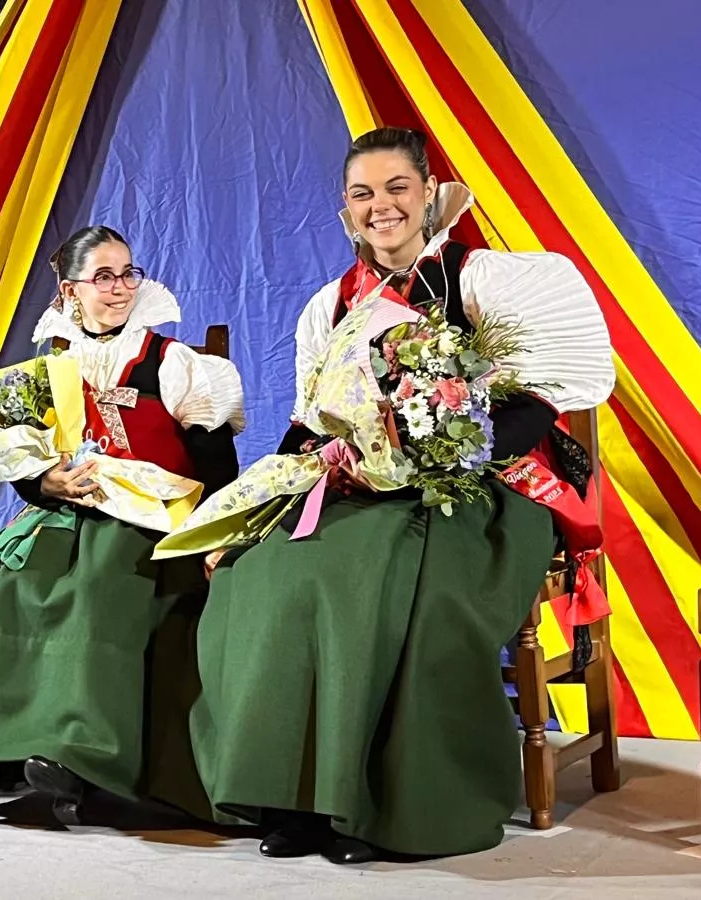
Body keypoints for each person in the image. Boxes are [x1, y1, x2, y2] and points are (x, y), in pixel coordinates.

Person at [182, 127, 614, 862]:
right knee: (263, 571)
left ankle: (392, 808)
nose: (381, 206)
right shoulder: (331, 307)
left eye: (396, 188)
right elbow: (305, 427)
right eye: (362, 194)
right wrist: (249, 510)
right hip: (362, 491)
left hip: (484, 491)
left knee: (391, 577)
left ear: (429, 193)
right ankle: (293, 796)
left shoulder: (490, 282)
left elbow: (535, 409)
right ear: (347, 212)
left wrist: (430, 455)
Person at [0, 226, 245, 824]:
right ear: (71, 290)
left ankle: (78, 755)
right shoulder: (50, 364)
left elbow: (218, 469)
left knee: (95, 591)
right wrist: (45, 483)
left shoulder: (173, 363)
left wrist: (215, 537)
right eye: (104, 276)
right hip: (70, 512)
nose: (120, 288)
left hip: (156, 519)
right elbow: (26, 461)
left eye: (128, 273)